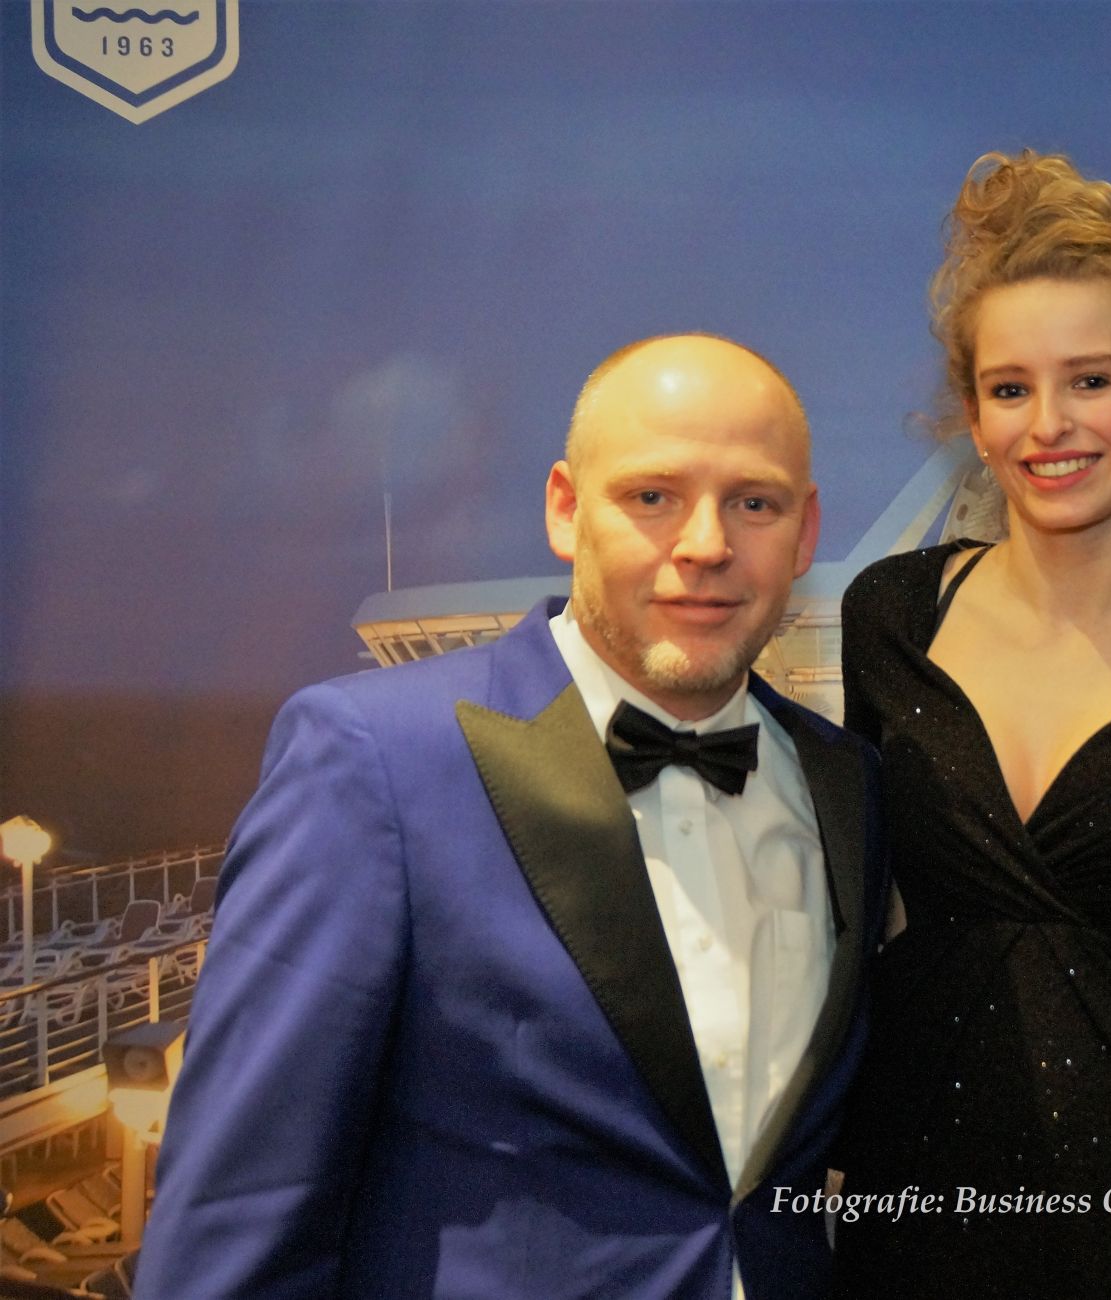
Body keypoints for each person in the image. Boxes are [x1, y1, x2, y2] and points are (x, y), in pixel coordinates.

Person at [138, 335, 887, 1299]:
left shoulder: (846, 783)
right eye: (652, 496)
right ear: (565, 509)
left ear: (806, 530)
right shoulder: (374, 761)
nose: (706, 545)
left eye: (754, 503)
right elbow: (240, 1214)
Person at [833, 151, 1111, 1300]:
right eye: (1008, 388)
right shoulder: (889, 617)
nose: (1048, 425)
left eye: (1089, 380)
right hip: (907, 1195)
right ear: (972, 416)